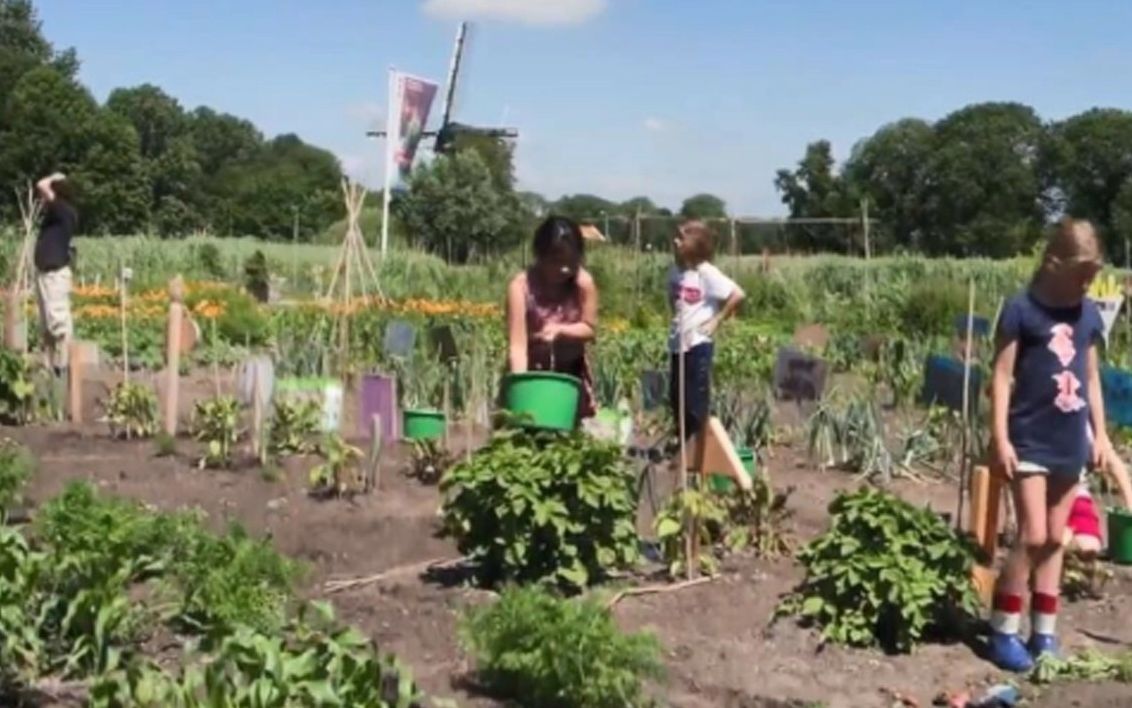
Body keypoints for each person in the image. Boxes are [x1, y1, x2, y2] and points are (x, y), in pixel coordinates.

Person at [988, 217, 1111, 672]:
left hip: (1068, 440)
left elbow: (1092, 378)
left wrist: (1100, 435)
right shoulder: (1022, 310)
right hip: (1029, 437)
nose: (1087, 282)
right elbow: (1001, 378)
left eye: (1092, 274)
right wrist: (1000, 437)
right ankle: (1002, 628)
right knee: (1034, 534)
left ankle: (1043, 632)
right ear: (1054, 263)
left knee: (1057, 539)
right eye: (1081, 273)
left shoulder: (1088, 315)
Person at [506, 216, 598, 420]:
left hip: (570, 375)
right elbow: (517, 347)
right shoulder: (520, 287)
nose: (565, 269)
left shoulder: (583, 283)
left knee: (568, 432)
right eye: (557, 262)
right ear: (540, 256)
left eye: (572, 262)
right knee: (529, 426)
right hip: (531, 370)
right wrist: (523, 391)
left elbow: (590, 328)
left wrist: (560, 330)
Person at [667, 220, 745, 446]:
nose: (675, 242)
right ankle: (683, 446)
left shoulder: (706, 273)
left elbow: (737, 294)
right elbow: (671, 298)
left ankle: (699, 448)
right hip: (677, 343)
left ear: (696, 243)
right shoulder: (675, 272)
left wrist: (716, 321)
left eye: (681, 238)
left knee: (695, 401)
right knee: (676, 397)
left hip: (698, 344)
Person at [34, 172, 77, 376]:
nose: (42, 200)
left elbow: (41, 185)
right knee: (46, 326)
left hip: (54, 275)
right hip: (45, 274)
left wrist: (53, 178)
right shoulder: (56, 215)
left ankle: (63, 366)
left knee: (58, 322)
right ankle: (50, 366)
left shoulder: (63, 209)